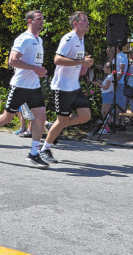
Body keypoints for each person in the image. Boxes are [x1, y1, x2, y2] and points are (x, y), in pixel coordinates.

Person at [0, 11, 48, 167]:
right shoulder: (23, 39)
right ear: (30, 21)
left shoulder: (39, 40)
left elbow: (33, 62)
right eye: (39, 19)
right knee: (7, 118)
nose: (42, 21)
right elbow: (12, 61)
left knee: (41, 118)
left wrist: (39, 70)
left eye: (43, 19)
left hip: (34, 86)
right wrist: (35, 68)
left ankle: (34, 153)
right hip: (20, 86)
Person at [43, 11, 95, 161]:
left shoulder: (81, 39)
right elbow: (57, 59)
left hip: (74, 86)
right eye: (84, 20)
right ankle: (44, 149)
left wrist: (85, 63)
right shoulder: (69, 38)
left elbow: (76, 61)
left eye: (87, 20)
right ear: (75, 24)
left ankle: (54, 125)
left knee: (85, 116)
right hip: (62, 87)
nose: (87, 22)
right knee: (63, 120)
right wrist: (80, 62)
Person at [92, 62, 115, 134]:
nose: (103, 69)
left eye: (105, 67)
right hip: (106, 95)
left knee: (106, 112)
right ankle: (106, 126)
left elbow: (106, 87)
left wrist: (98, 84)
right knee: (103, 112)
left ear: (108, 68)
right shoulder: (109, 76)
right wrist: (99, 82)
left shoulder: (110, 77)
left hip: (108, 95)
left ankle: (107, 128)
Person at [113, 45, 129, 129]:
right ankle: (116, 121)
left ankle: (122, 123)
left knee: (121, 103)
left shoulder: (122, 56)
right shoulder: (116, 56)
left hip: (120, 83)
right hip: (116, 82)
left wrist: (116, 81)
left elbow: (121, 71)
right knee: (116, 103)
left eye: (112, 47)